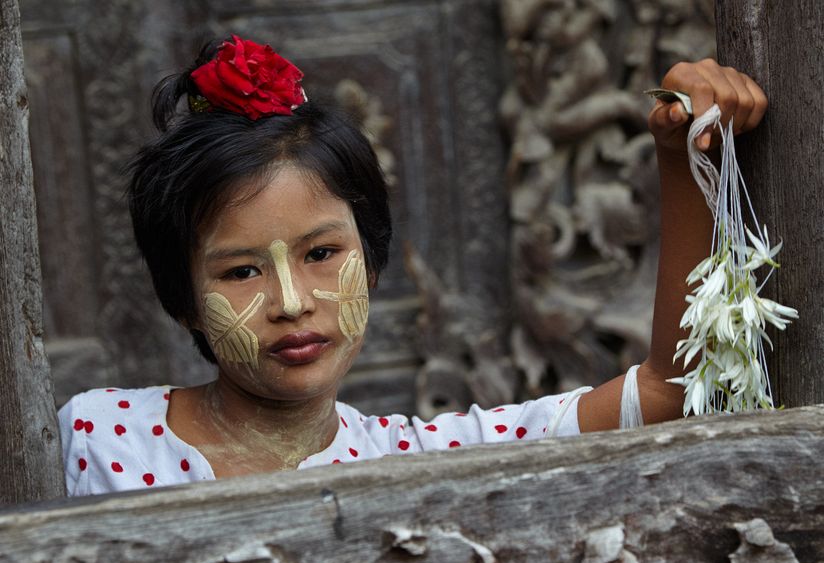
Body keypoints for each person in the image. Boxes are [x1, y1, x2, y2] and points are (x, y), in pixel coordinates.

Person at [57, 36, 767, 496]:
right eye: (241, 271)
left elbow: (670, 395)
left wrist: (681, 160)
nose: (293, 301)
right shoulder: (93, 437)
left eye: (322, 254)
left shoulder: (422, 464)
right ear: (181, 296)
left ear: (370, 260)